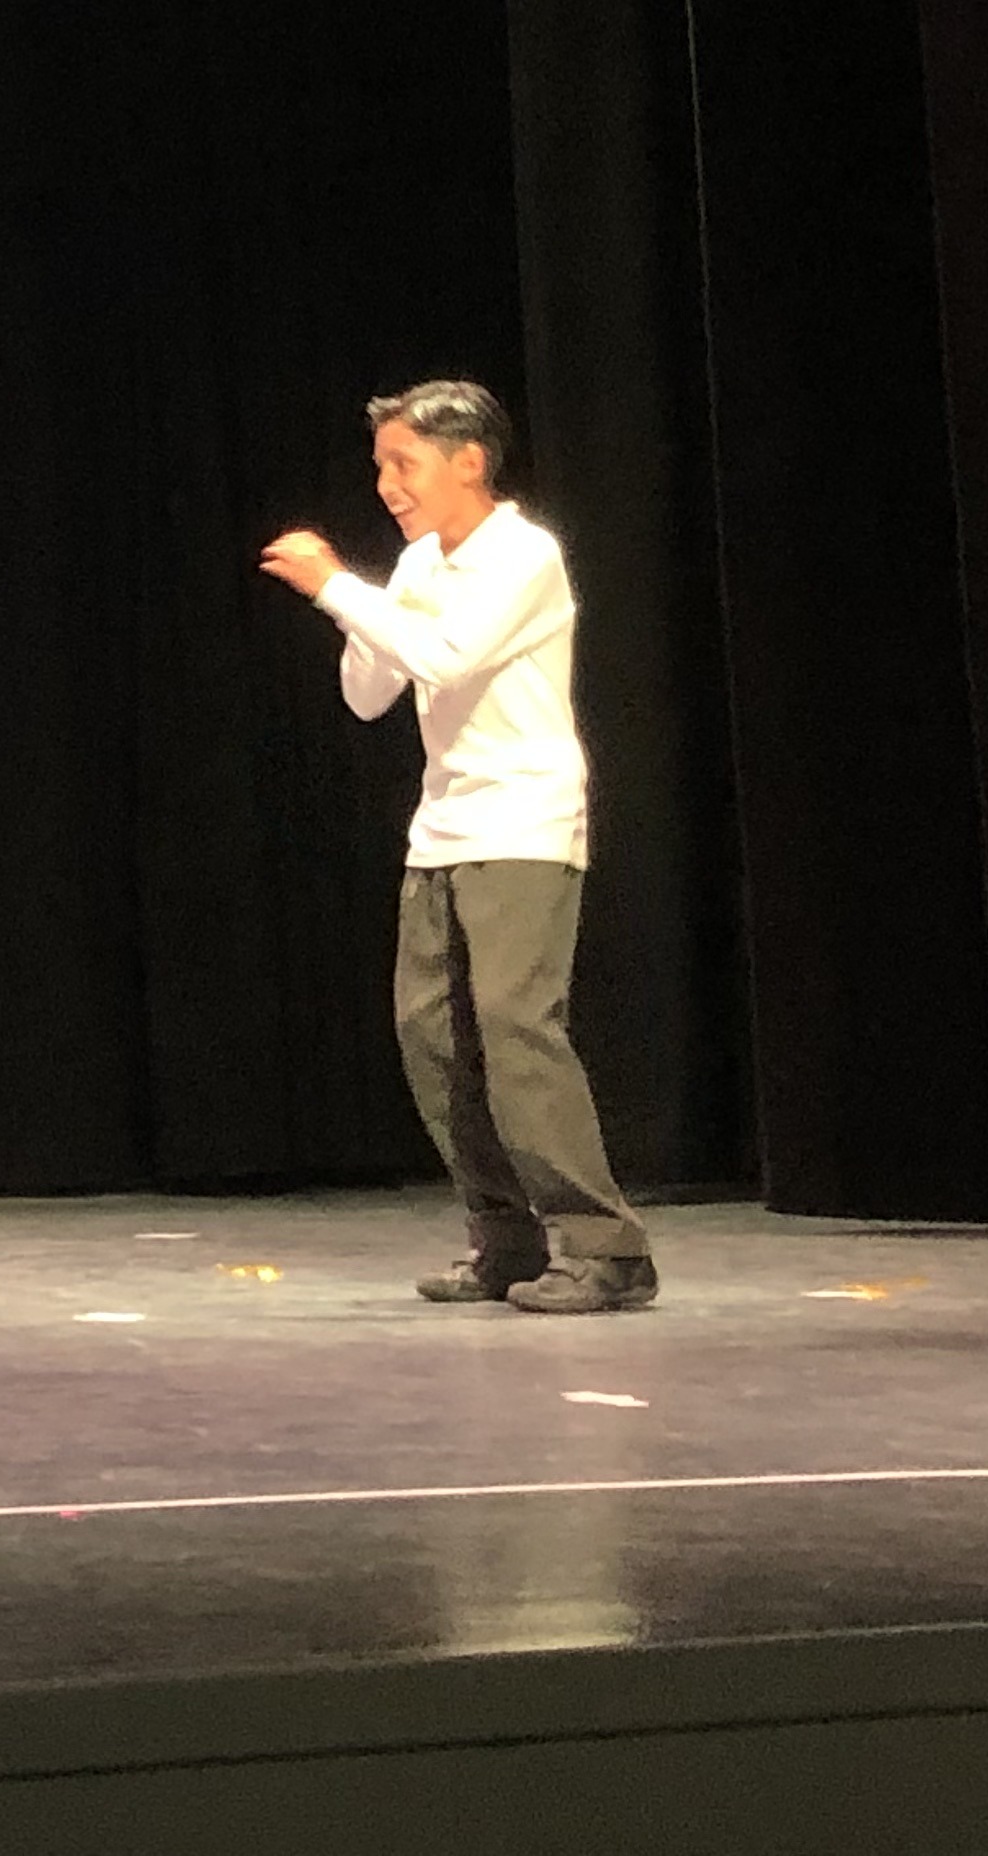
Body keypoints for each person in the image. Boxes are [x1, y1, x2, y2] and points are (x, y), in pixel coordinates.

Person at [262, 381, 658, 1314]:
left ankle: (607, 1247)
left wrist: (337, 584)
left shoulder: (524, 555)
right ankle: (506, 1238)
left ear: (470, 462)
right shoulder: (418, 565)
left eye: (405, 464)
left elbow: (448, 658)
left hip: (522, 819)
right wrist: (363, 606)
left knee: (517, 1029)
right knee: (432, 1039)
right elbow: (369, 695)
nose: (388, 486)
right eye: (381, 468)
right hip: (442, 826)